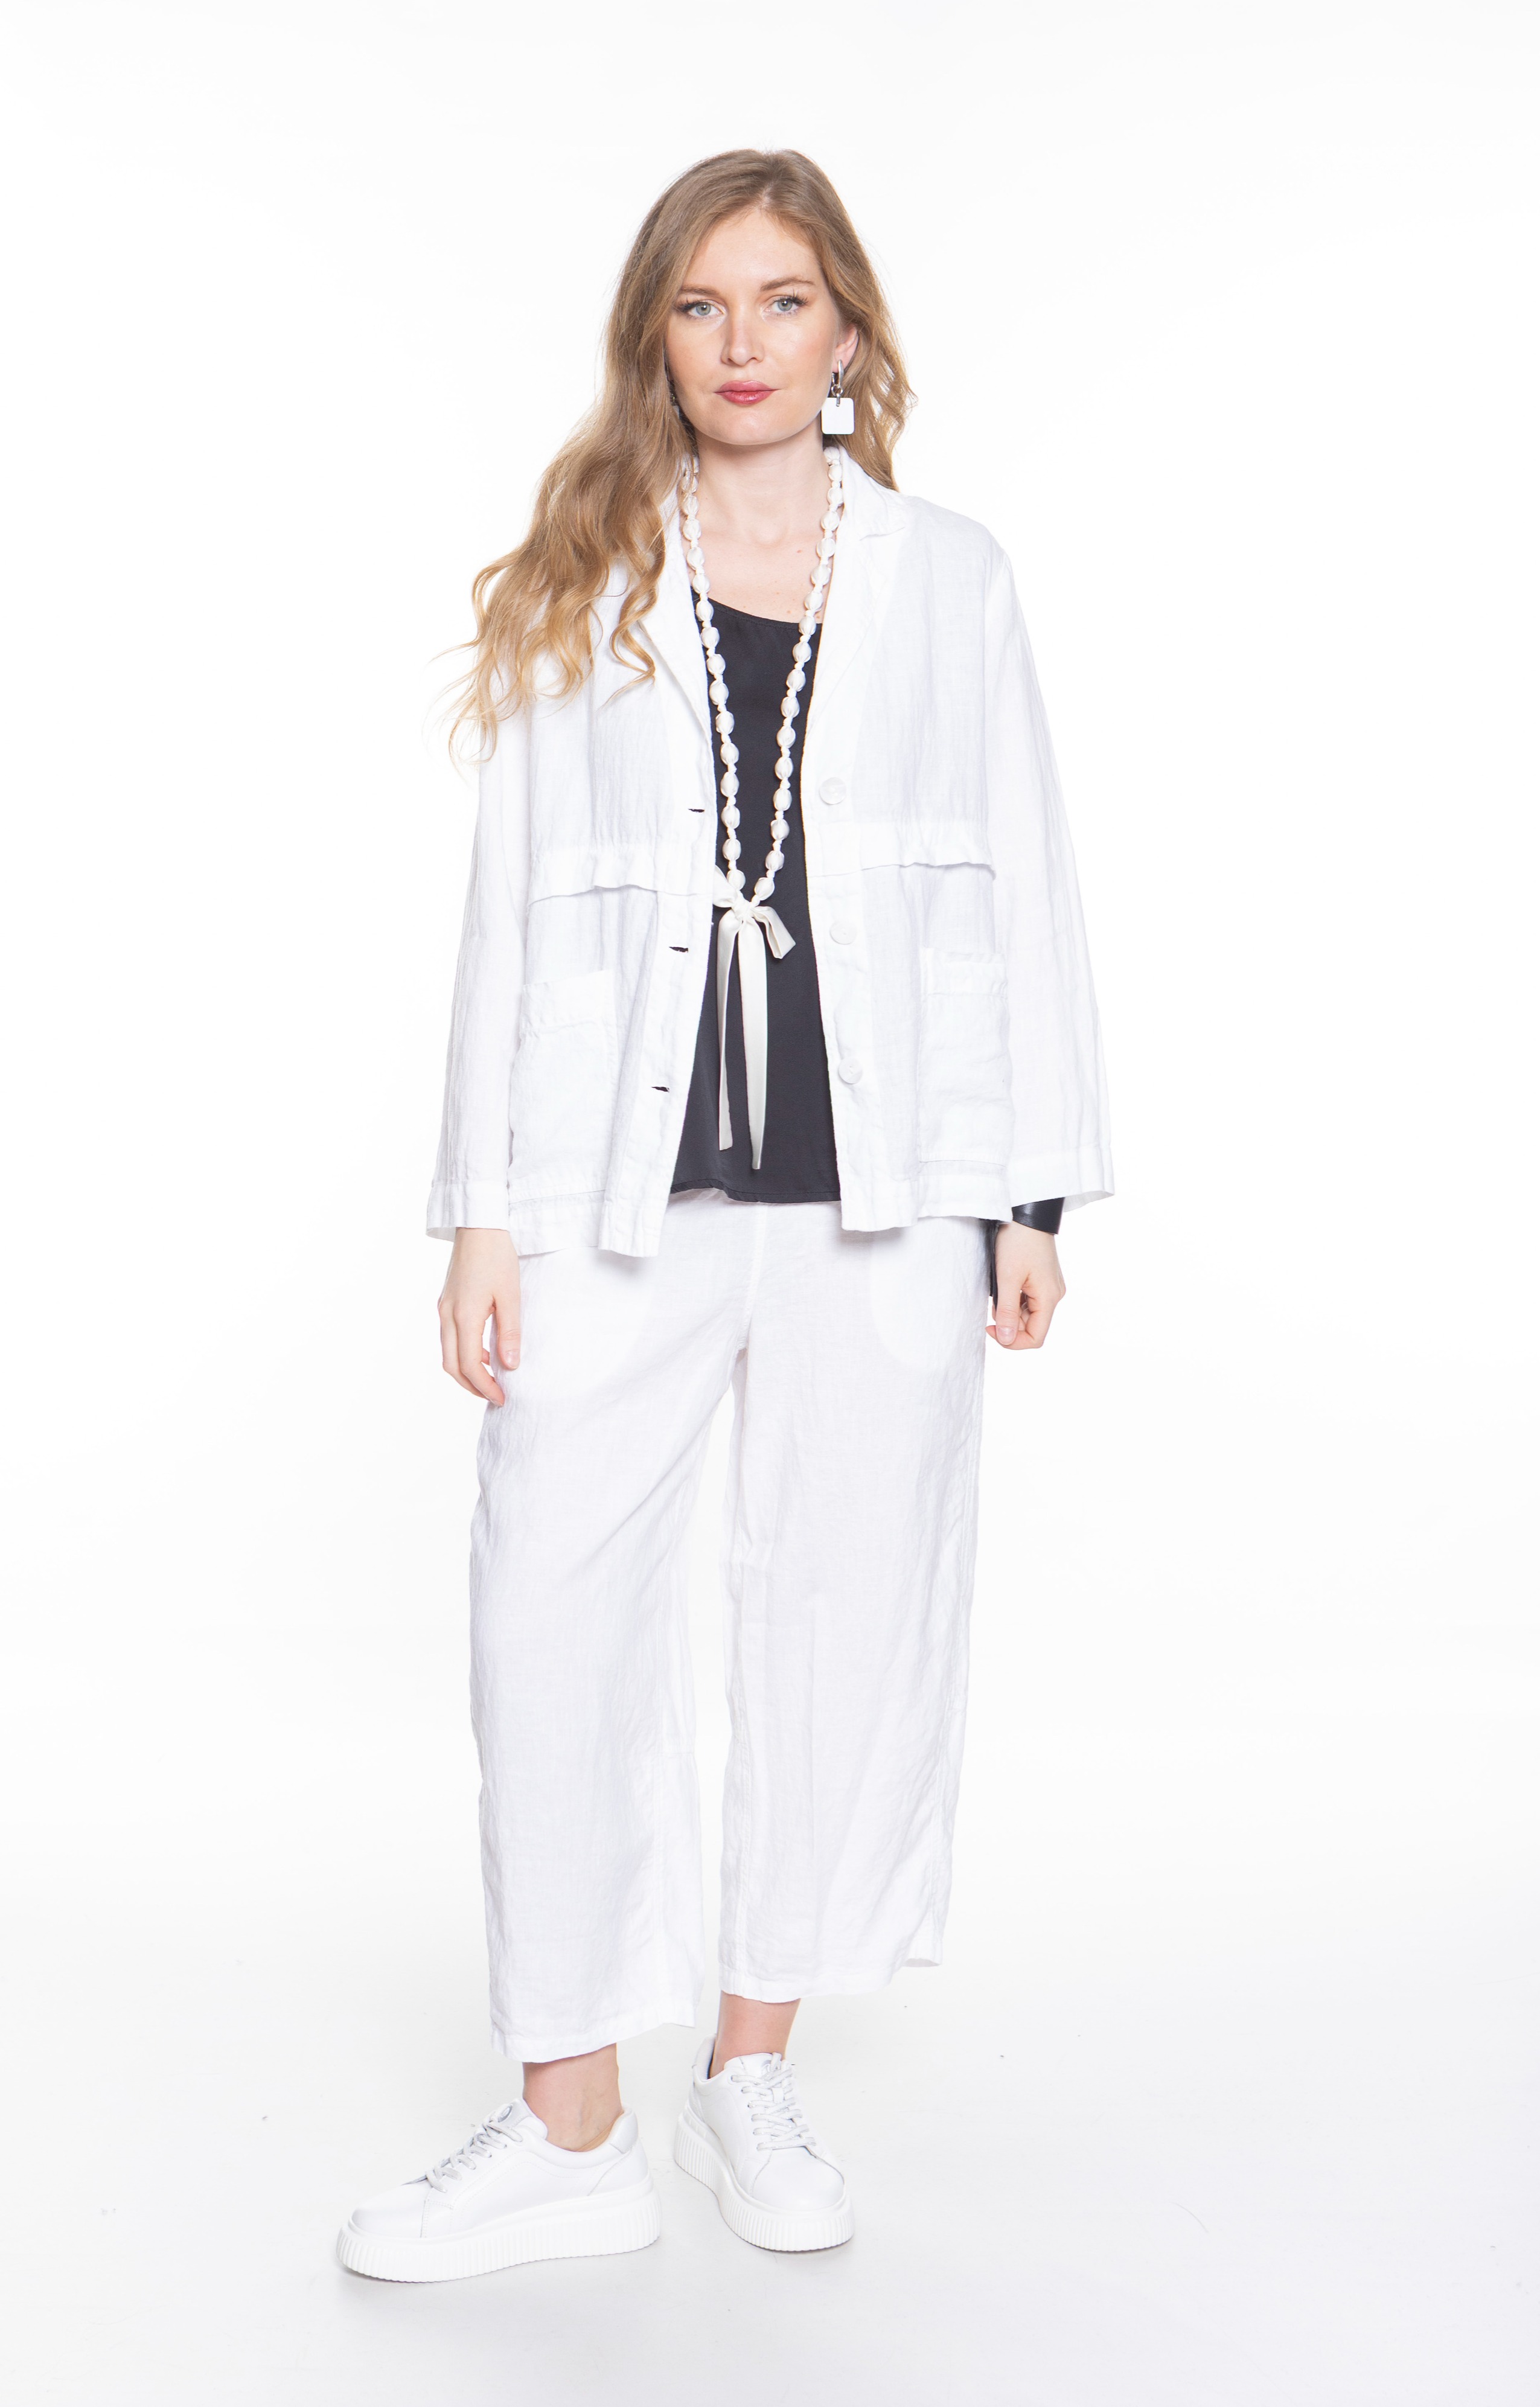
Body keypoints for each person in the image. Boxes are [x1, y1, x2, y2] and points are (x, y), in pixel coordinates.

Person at [337, 148, 1111, 2283]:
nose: (744, 343)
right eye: (701, 304)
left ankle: (748, 2066)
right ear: (654, 335)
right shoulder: (589, 567)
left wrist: (1027, 1192)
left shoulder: (952, 577)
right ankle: (567, 2116)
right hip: (611, 1181)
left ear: (848, 330)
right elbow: (511, 903)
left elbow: (1023, 869)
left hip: (893, 1185)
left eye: (782, 302)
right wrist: (479, 1213)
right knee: (549, 1609)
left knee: (844, 1606)